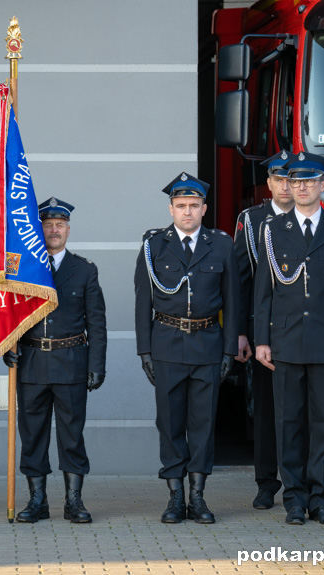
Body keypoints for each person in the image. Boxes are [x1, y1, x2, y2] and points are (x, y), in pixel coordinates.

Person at [253, 152, 324, 526]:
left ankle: (321, 499)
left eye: (309, 181)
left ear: (322, 186)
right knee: (289, 423)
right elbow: (263, 291)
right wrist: (261, 338)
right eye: (295, 182)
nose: (300, 188)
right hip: (284, 340)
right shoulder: (273, 231)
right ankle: (294, 500)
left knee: (323, 423)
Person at [134, 173, 241, 524]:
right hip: (166, 344)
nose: (187, 212)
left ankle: (198, 496)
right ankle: (175, 496)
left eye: (194, 206)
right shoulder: (153, 246)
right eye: (181, 206)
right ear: (171, 209)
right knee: (169, 423)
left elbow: (233, 302)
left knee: (203, 424)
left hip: (208, 344)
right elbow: (142, 302)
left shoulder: (222, 245)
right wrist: (144, 351)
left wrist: (228, 351)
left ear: (204, 208)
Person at [2, 197, 107, 524]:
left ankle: (74, 501)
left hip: (72, 361)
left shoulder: (84, 269)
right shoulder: (23, 268)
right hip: (31, 361)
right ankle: (37, 501)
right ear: (39, 229)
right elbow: (9, 313)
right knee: (32, 434)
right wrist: (8, 344)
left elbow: (97, 322)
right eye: (47, 225)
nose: (54, 230)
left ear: (68, 229)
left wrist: (96, 364)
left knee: (71, 434)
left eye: (59, 225)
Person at [233, 150, 295, 510]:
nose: (284, 186)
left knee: (300, 410)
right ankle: (266, 483)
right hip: (264, 332)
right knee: (267, 409)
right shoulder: (252, 219)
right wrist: (241, 332)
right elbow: (241, 279)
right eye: (277, 179)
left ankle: (298, 484)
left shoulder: (312, 220)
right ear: (268, 184)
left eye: (290, 179)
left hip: (302, 330)